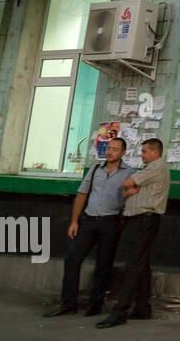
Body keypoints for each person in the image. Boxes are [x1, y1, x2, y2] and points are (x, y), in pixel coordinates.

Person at [44, 137, 131, 317]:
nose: (109, 152)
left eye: (115, 149)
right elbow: (82, 195)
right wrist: (74, 221)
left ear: (123, 153)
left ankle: (95, 305)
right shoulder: (95, 170)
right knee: (72, 259)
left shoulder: (129, 173)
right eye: (108, 148)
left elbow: (132, 197)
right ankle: (68, 303)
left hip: (111, 222)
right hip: (89, 221)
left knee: (103, 264)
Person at [97, 138, 171, 327]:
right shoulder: (149, 169)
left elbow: (128, 182)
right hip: (137, 219)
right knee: (141, 264)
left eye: (145, 151)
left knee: (133, 265)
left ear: (155, 152)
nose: (142, 154)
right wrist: (130, 190)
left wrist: (130, 188)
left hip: (144, 219)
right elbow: (125, 190)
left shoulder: (157, 167)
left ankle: (120, 310)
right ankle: (142, 307)